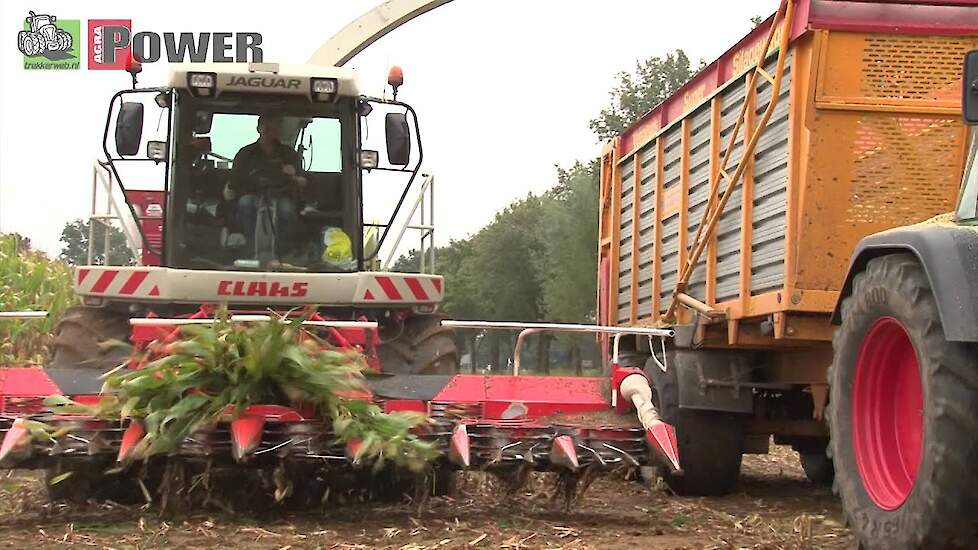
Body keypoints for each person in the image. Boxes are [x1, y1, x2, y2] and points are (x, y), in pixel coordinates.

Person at [226, 115, 307, 256]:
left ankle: (284, 251)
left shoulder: (289, 154)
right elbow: (234, 181)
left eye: (274, 127)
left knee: (286, 210)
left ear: (278, 130)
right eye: (266, 127)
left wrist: (293, 175)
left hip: (281, 196)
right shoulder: (245, 154)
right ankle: (250, 248)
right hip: (252, 195)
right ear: (259, 128)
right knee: (245, 204)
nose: (270, 131)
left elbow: (304, 182)